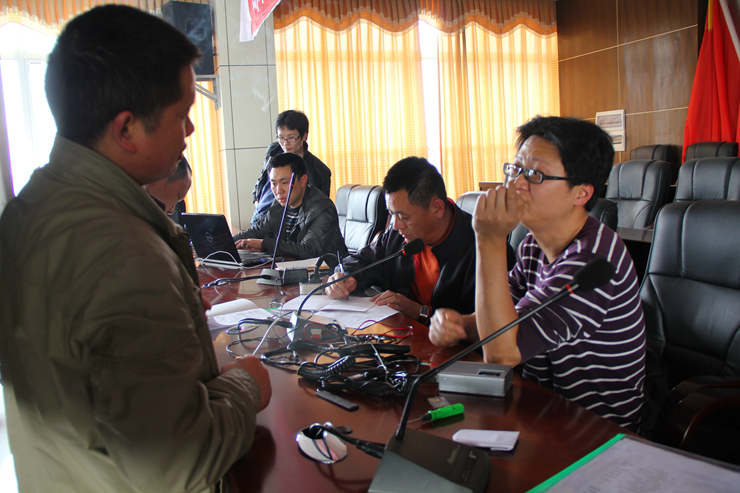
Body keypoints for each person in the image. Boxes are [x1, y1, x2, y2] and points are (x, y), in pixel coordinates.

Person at [0, 6, 271, 493]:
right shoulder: (124, 257)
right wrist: (246, 384)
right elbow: (180, 462)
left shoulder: (25, 213)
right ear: (126, 129)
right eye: (182, 115)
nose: (190, 132)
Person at [429, 116, 646, 431]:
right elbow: (503, 323)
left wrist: (489, 239)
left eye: (534, 174)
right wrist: (459, 325)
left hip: (596, 432)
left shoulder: (593, 259)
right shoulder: (533, 243)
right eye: (515, 169)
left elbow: (501, 353)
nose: (516, 184)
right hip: (540, 411)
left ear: (581, 194)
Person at [324, 157, 481, 324]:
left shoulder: (479, 247)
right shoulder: (398, 233)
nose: (396, 225)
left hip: (444, 339)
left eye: (404, 217)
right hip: (399, 331)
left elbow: (481, 325)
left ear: (437, 208)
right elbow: (364, 260)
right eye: (392, 214)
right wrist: (346, 277)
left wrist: (419, 312)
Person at [233, 152, 347, 260]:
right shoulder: (279, 204)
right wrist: (226, 242)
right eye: (273, 183)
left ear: (303, 180)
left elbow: (307, 250)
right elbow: (258, 231)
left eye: (284, 183)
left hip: (327, 270)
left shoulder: (321, 209)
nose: (278, 190)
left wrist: (264, 244)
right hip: (291, 268)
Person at [275, 110, 331, 196]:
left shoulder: (320, 171)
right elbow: (260, 188)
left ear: (304, 136)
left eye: (291, 137)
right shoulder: (273, 156)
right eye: (281, 138)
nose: (285, 143)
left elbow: (321, 202)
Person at [250, 142, 283, 225]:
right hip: (258, 215)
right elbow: (257, 186)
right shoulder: (267, 167)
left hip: (272, 217)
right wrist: (257, 205)